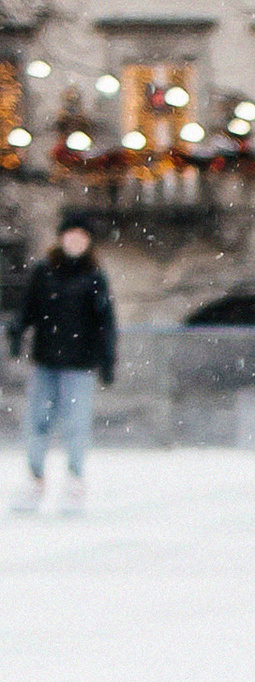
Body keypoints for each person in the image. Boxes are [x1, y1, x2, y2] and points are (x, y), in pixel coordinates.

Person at [9, 217, 115, 514]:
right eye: (71, 235)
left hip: (80, 364)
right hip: (46, 361)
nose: (75, 241)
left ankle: (74, 480)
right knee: (37, 422)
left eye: (82, 236)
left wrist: (107, 359)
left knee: (76, 424)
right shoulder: (44, 272)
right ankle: (35, 478)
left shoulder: (95, 276)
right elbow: (28, 308)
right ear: (61, 238)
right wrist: (17, 333)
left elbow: (105, 322)